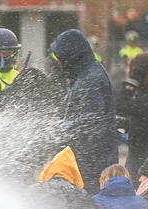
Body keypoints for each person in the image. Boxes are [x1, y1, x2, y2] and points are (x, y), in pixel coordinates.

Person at [51, 29, 119, 195]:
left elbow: (91, 121)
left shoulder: (90, 79)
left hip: (93, 164)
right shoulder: (84, 75)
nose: (58, 61)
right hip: (87, 160)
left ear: (71, 56)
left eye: (60, 57)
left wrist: (59, 129)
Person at [117, 54, 148, 185]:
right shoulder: (143, 95)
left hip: (141, 166)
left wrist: (133, 80)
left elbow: (120, 105)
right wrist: (129, 125)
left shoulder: (144, 96)